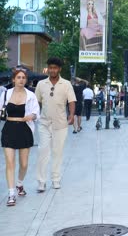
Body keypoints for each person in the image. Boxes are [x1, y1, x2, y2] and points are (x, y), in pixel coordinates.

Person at [35, 57, 76, 192]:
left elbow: (71, 101)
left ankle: (56, 179)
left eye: (55, 68)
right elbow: (37, 102)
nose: (52, 70)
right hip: (44, 123)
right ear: (48, 68)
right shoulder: (41, 84)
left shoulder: (66, 84)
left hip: (60, 124)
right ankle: (41, 181)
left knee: (57, 153)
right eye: (50, 67)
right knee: (43, 152)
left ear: (59, 69)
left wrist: (71, 115)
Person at [1, 68, 40, 206]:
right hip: (9, 129)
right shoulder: (5, 94)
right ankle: (11, 194)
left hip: (25, 130)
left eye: (23, 78)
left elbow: (36, 112)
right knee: (10, 162)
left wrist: (32, 116)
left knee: (23, 164)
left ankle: (19, 183)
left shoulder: (31, 95)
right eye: (18, 77)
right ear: (13, 80)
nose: (21, 80)